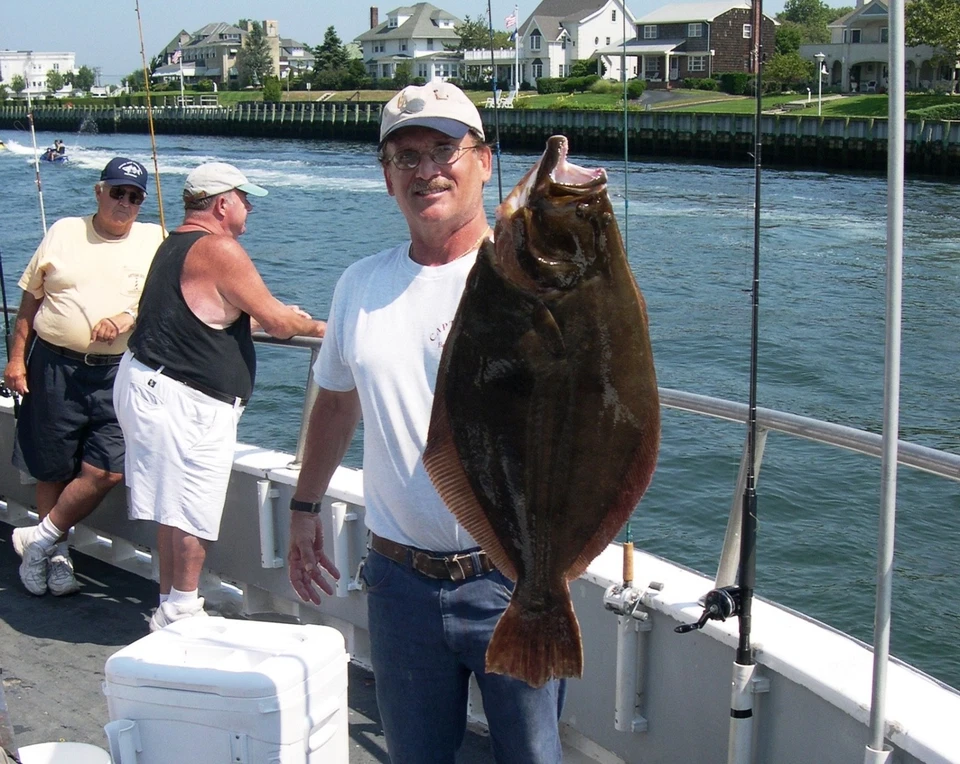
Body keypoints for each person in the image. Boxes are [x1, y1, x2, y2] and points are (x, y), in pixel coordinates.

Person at [287, 82, 564, 763]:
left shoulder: (534, 279)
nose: (426, 170)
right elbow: (335, 400)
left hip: (513, 575)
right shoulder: (360, 285)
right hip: (399, 582)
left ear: (484, 162)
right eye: (405, 157)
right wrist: (303, 504)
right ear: (386, 179)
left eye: (445, 149)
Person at [113, 162, 326, 632]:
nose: (249, 207)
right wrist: (317, 327)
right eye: (244, 198)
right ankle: (183, 614)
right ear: (222, 203)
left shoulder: (174, 244)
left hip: (149, 383)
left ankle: (170, 606)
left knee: (172, 508)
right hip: (183, 399)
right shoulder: (221, 249)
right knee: (191, 510)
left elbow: (203, 315)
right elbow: (277, 321)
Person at [5, 157, 164, 596]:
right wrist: (16, 360)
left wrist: (126, 317)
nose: (125, 203)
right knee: (51, 466)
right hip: (54, 365)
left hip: (118, 372)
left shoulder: (155, 238)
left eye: (134, 197)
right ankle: (56, 557)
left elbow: (163, 301)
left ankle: (37, 541)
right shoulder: (64, 232)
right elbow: (29, 304)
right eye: (117, 192)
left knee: (109, 470)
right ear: (99, 192)